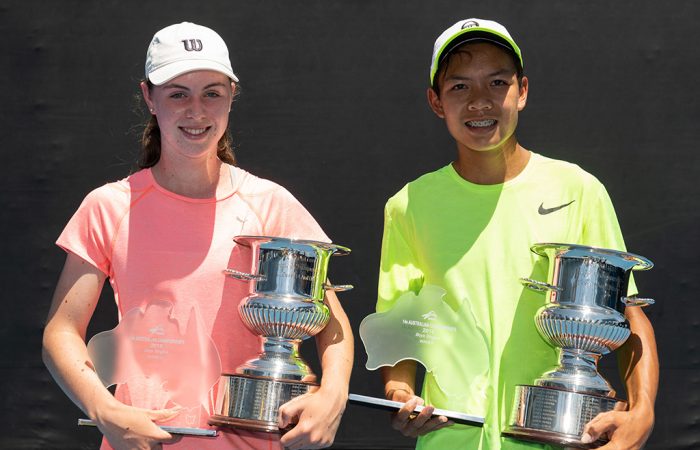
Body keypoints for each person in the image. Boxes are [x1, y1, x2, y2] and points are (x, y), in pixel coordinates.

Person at [42, 22, 353, 450]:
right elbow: (60, 332)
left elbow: (331, 322)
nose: (197, 111)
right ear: (149, 97)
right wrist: (105, 410)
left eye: (212, 93)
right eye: (177, 94)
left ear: (231, 96)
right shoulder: (108, 206)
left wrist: (332, 398)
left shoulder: (271, 204)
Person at [377, 18, 658, 450]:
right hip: (449, 441)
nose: (479, 102)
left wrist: (643, 411)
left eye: (497, 83)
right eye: (459, 87)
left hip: (562, 435)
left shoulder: (578, 189)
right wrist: (399, 394)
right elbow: (401, 328)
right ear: (436, 101)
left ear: (521, 91)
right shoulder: (408, 205)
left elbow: (627, 314)